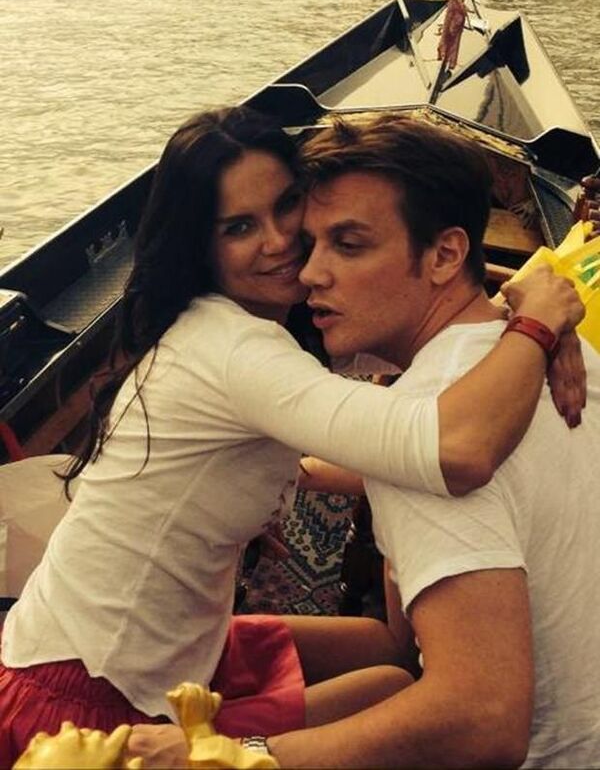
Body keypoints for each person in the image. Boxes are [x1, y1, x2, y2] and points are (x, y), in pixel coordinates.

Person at [0, 107, 584, 767]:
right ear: (201, 245)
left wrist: (517, 296)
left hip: (175, 642)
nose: (283, 245)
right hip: (89, 699)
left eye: (287, 208)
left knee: (387, 668)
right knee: (390, 679)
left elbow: (430, 314)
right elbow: (459, 448)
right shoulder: (234, 350)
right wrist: (537, 324)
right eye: (240, 227)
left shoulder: (263, 327)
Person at [218, 114, 598, 768]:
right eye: (310, 244)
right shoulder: (566, 354)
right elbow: (403, 643)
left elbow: (481, 717)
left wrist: (241, 755)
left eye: (349, 244)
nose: (310, 274)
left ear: (445, 255)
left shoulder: (427, 433)